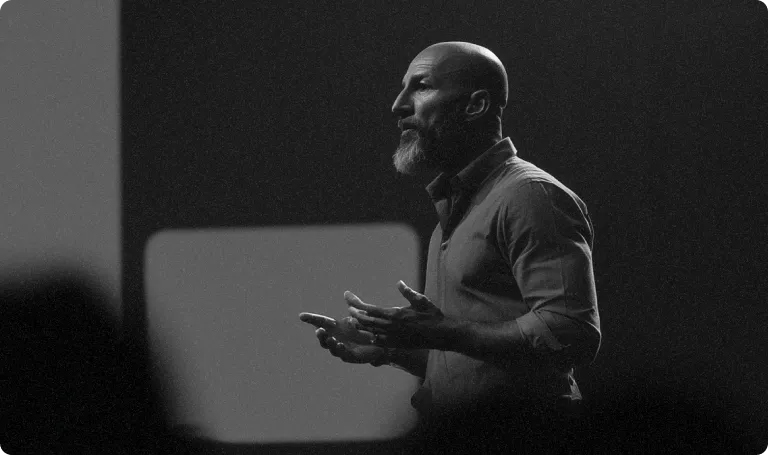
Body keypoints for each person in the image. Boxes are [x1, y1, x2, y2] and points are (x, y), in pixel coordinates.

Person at [300, 41, 601, 449]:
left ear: (476, 105)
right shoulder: (456, 208)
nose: (398, 105)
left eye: (421, 86)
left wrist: (442, 331)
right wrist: (390, 347)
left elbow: (571, 332)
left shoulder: (530, 195)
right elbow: (474, 359)